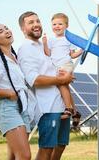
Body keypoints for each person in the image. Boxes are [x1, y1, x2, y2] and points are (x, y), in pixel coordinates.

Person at [17, 11, 73, 160]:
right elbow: (34, 79)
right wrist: (62, 80)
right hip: (48, 107)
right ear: (23, 29)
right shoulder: (25, 49)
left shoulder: (45, 46)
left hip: (61, 104)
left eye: (37, 21)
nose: (36, 24)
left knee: (60, 146)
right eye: (30, 23)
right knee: (47, 148)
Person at [0, 23, 37, 160]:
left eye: (6, 28)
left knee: (13, 156)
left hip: (23, 109)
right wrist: (9, 93)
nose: (6, 31)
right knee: (24, 156)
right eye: (1, 31)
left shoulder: (15, 57)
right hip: (7, 108)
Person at [42, 13, 82, 122]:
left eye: (60, 24)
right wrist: (45, 43)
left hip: (66, 64)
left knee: (61, 83)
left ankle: (68, 108)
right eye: (54, 24)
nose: (57, 26)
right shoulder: (51, 40)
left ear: (66, 26)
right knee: (65, 87)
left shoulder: (68, 39)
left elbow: (72, 55)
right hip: (56, 66)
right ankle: (75, 112)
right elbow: (48, 53)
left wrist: (81, 50)